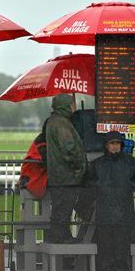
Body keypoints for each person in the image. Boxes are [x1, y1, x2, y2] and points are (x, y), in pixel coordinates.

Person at [87, 131, 135, 271]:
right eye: (112, 143)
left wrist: (129, 186)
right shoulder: (97, 164)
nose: (115, 146)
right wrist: (98, 188)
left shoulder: (130, 162)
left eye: (117, 143)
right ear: (106, 145)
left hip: (123, 213)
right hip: (105, 213)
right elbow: (87, 183)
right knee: (105, 247)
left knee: (122, 247)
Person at [45, 94, 87, 243]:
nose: (74, 107)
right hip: (66, 177)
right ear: (65, 105)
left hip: (58, 177)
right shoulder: (62, 124)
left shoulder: (53, 122)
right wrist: (78, 167)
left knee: (60, 211)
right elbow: (69, 148)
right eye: (72, 104)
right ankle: (60, 240)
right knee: (63, 212)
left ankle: (62, 238)